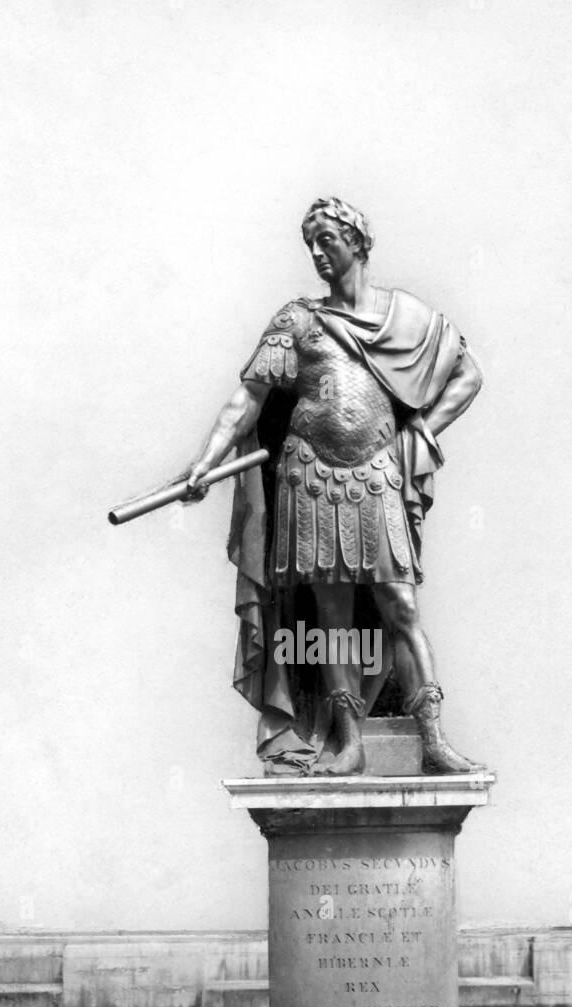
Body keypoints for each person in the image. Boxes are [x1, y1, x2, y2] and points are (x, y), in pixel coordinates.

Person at [181, 197, 483, 777]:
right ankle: (349, 742)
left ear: (358, 242)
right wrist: (204, 462)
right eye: (310, 245)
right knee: (333, 618)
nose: (318, 254)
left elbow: (467, 376)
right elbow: (248, 399)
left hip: (375, 474)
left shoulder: (409, 320)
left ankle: (434, 739)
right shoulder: (296, 321)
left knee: (400, 604)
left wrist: (417, 434)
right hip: (309, 477)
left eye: (328, 241)